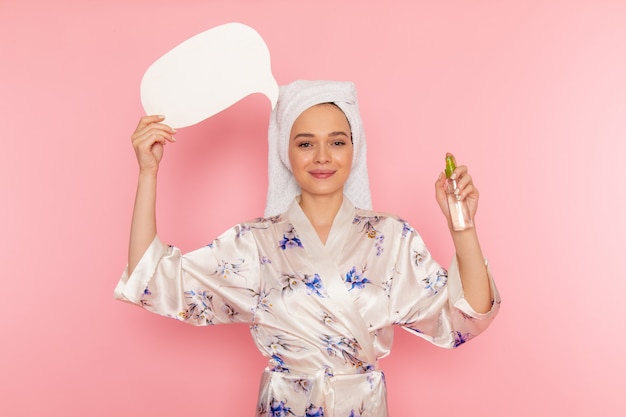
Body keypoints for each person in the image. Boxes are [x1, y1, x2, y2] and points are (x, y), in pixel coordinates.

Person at [115, 80, 500, 417]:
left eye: (336, 141)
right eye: (305, 143)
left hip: (362, 406)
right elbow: (151, 277)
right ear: (286, 152)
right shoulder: (256, 243)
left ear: (354, 149)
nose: (321, 157)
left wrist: (461, 225)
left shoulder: (391, 237)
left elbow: (467, 317)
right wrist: (148, 173)